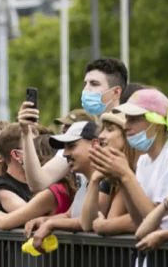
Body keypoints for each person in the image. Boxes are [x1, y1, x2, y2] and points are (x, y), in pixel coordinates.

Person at [19, 58, 129, 192]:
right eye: (86, 84)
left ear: (116, 92)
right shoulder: (81, 132)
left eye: (94, 84)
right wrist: (25, 133)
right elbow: (38, 182)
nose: (86, 89)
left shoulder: (131, 133)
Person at [93, 88, 168, 229]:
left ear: (157, 124)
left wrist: (126, 175)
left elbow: (156, 221)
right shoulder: (143, 161)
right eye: (127, 119)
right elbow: (139, 220)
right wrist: (120, 178)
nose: (125, 125)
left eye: (134, 119)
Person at [25, 121, 100, 249]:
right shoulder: (85, 183)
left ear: (95, 144)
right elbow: (69, 215)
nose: (65, 154)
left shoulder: (105, 181)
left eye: (71, 146)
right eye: (64, 148)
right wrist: (44, 220)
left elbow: (89, 221)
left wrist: (52, 224)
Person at [79, 110, 136, 234]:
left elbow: (109, 221)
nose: (101, 136)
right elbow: (87, 223)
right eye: (103, 129)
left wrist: (104, 225)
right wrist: (94, 180)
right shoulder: (108, 174)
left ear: (127, 135)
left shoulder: (134, 171)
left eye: (110, 130)